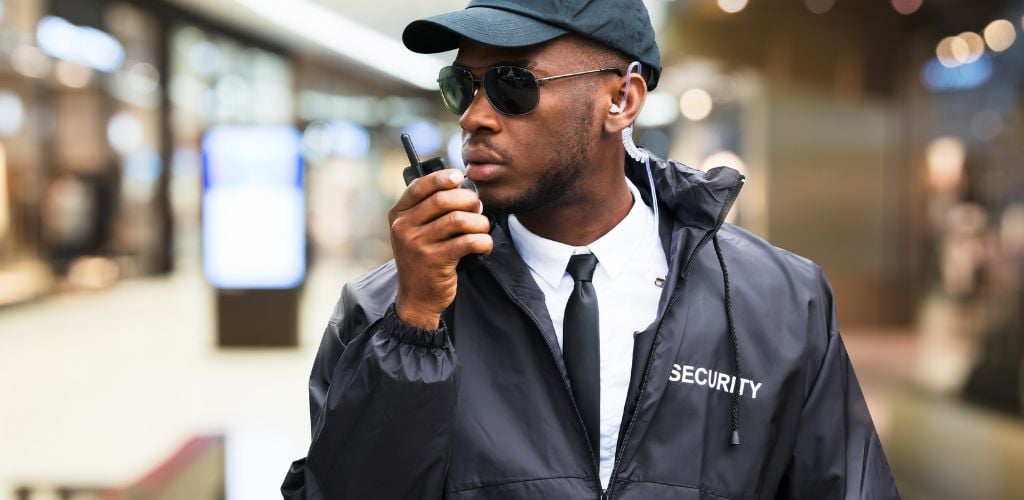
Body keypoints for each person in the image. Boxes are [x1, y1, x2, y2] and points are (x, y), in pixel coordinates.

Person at [282, 1, 900, 498]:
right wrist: (414, 328)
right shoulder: (385, 310)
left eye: (511, 84)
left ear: (621, 99)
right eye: (461, 85)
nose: (475, 115)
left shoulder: (780, 300)